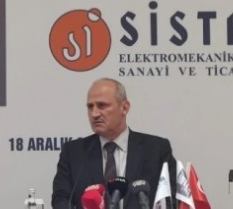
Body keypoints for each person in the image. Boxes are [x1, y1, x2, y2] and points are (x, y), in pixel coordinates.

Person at [51, 78, 177, 209]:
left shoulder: (156, 150)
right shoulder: (74, 153)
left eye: (102, 105)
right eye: (90, 106)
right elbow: (61, 200)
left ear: (124, 108)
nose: (94, 114)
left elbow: (172, 199)